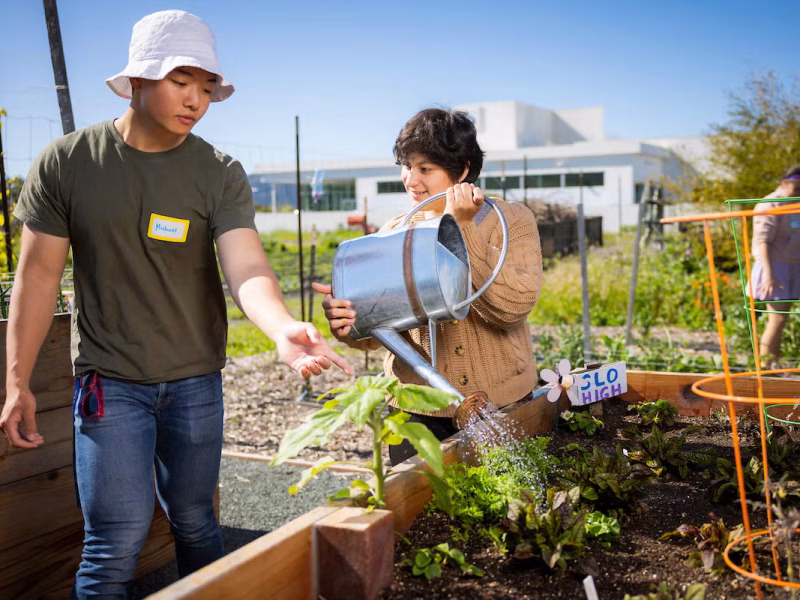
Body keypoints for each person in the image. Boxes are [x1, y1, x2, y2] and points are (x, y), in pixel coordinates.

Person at [0, 10, 352, 598]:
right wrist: (16, 380)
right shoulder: (67, 163)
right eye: (180, 81)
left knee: (196, 521)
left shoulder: (217, 173)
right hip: (110, 383)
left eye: (206, 87)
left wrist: (282, 326)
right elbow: (36, 280)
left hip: (195, 383)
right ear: (138, 79)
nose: (196, 100)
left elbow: (246, 268)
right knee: (114, 540)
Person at [313, 108, 543, 464]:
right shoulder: (395, 232)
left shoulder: (511, 221)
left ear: (462, 170)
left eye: (425, 169)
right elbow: (376, 334)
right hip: (418, 412)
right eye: (406, 166)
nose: (410, 179)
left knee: (505, 511)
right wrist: (348, 323)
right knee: (421, 513)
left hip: (503, 399)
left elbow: (511, 308)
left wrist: (461, 228)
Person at [748, 164, 800, 369]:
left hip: (792, 266)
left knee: (782, 318)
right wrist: (769, 276)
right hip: (774, 267)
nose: (799, 193)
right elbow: (763, 241)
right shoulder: (770, 204)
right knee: (777, 318)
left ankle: (773, 365)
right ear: (783, 183)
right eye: (795, 188)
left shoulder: (795, 202)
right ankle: (766, 367)